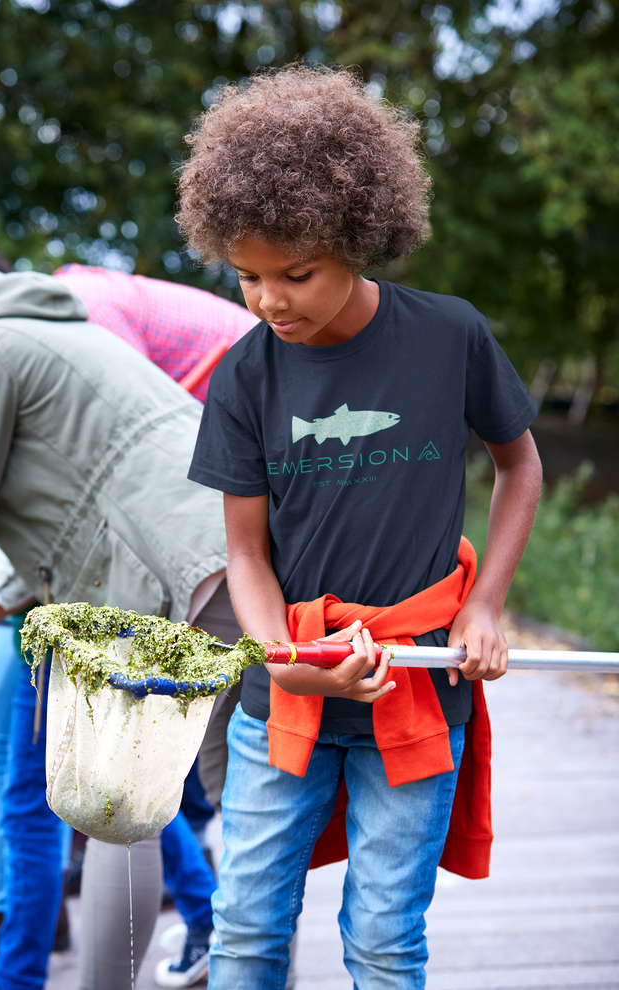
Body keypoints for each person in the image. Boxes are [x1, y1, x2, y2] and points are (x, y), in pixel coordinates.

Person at [182, 65, 544, 989]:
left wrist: (487, 605)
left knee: (385, 942)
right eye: (249, 276)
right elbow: (246, 557)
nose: (269, 300)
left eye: (295, 273)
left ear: (357, 235)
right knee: (246, 935)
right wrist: (283, 659)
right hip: (286, 699)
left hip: (421, 689)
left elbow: (519, 466)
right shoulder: (243, 377)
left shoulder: (450, 335)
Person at [0, 225, 254, 988]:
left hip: (182, 571)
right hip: (204, 554)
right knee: (175, 810)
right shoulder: (27, 327)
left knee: (150, 812)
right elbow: (47, 529)